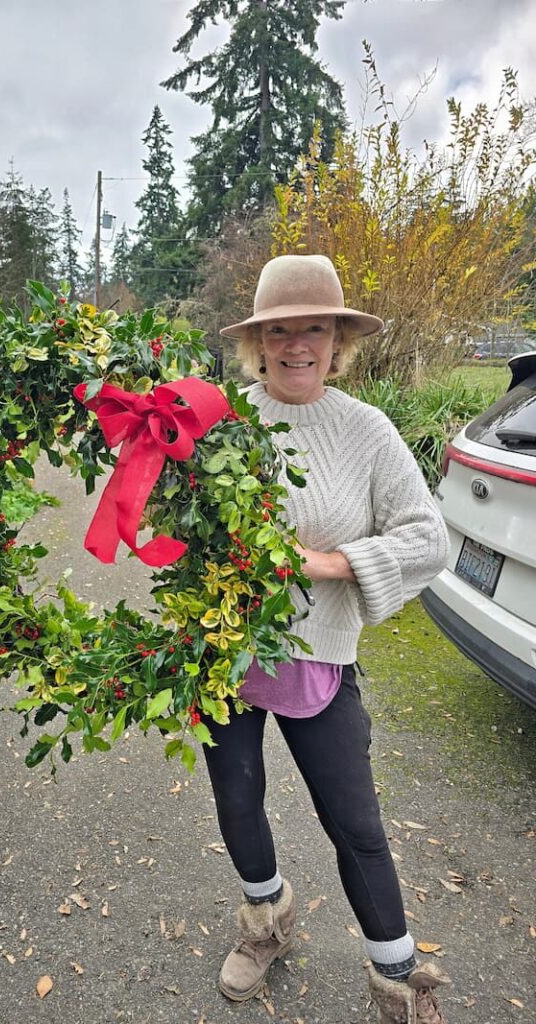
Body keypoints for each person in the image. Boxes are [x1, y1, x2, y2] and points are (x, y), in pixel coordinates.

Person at [207, 255, 452, 1023]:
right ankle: (264, 925)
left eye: (312, 327)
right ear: (258, 342)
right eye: (278, 329)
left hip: (319, 659)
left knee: (355, 825)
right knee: (238, 801)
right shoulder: (222, 423)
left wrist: (329, 562)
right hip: (224, 655)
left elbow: (428, 538)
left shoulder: (365, 430)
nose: (295, 343)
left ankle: (397, 976)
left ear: (337, 338)